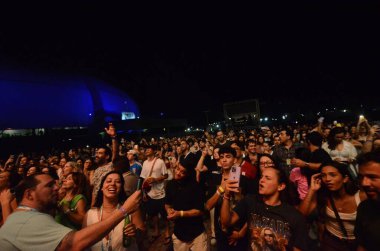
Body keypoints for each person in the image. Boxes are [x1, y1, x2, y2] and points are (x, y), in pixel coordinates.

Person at [0, 173, 141, 250]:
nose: (57, 188)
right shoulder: (30, 219)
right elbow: (75, 243)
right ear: (29, 194)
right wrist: (124, 210)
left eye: (56, 184)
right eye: (50, 186)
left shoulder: (24, 216)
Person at [220, 166, 309, 251]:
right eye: (261, 177)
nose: (261, 180)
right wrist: (226, 196)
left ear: (280, 186)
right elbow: (227, 221)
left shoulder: (294, 216)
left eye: (268, 178)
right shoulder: (250, 201)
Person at [299, 161, 366, 251]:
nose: (327, 179)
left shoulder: (361, 196)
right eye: (323, 175)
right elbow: (301, 215)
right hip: (330, 241)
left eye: (333, 175)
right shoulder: (323, 196)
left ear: (345, 179)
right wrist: (312, 189)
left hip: (355, 243)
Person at [84, 171, 145, 251]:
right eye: (109, 181)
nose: (112, 184)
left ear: (121, 188)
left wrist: (136, 233)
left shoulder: (131, 210)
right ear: (102, 187)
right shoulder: (90, 214)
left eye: (118, 182)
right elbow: (83, 244)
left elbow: (142, 237)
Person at [165, 159, 208, 250]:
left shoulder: (195, 186)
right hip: (179, 233)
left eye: (182, 172)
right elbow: (167, 204)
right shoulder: (170, 185)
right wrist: (169, 211)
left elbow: (199, 211)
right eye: (177, 168)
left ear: (188, 174)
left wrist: (180, 214)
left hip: (196, 233)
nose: (177, 173)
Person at [140, 145, 170, 243]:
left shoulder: (160, 162)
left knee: (164, 215)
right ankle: (156, 231)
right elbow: (144, 178)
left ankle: (167, 232)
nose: (146, 151)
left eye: (149, 149)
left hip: (160, 193)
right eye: (145, 150)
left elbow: (166, 175)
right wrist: (144, 192)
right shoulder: (144, 163)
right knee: (153, 214)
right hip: (149, 193)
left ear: (154, 151)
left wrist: (156, 179)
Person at [355, 149, 380, 251]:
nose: (364, 183)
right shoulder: (364, 207)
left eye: (372, 177)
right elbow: (363, 244)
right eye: (361, 177)